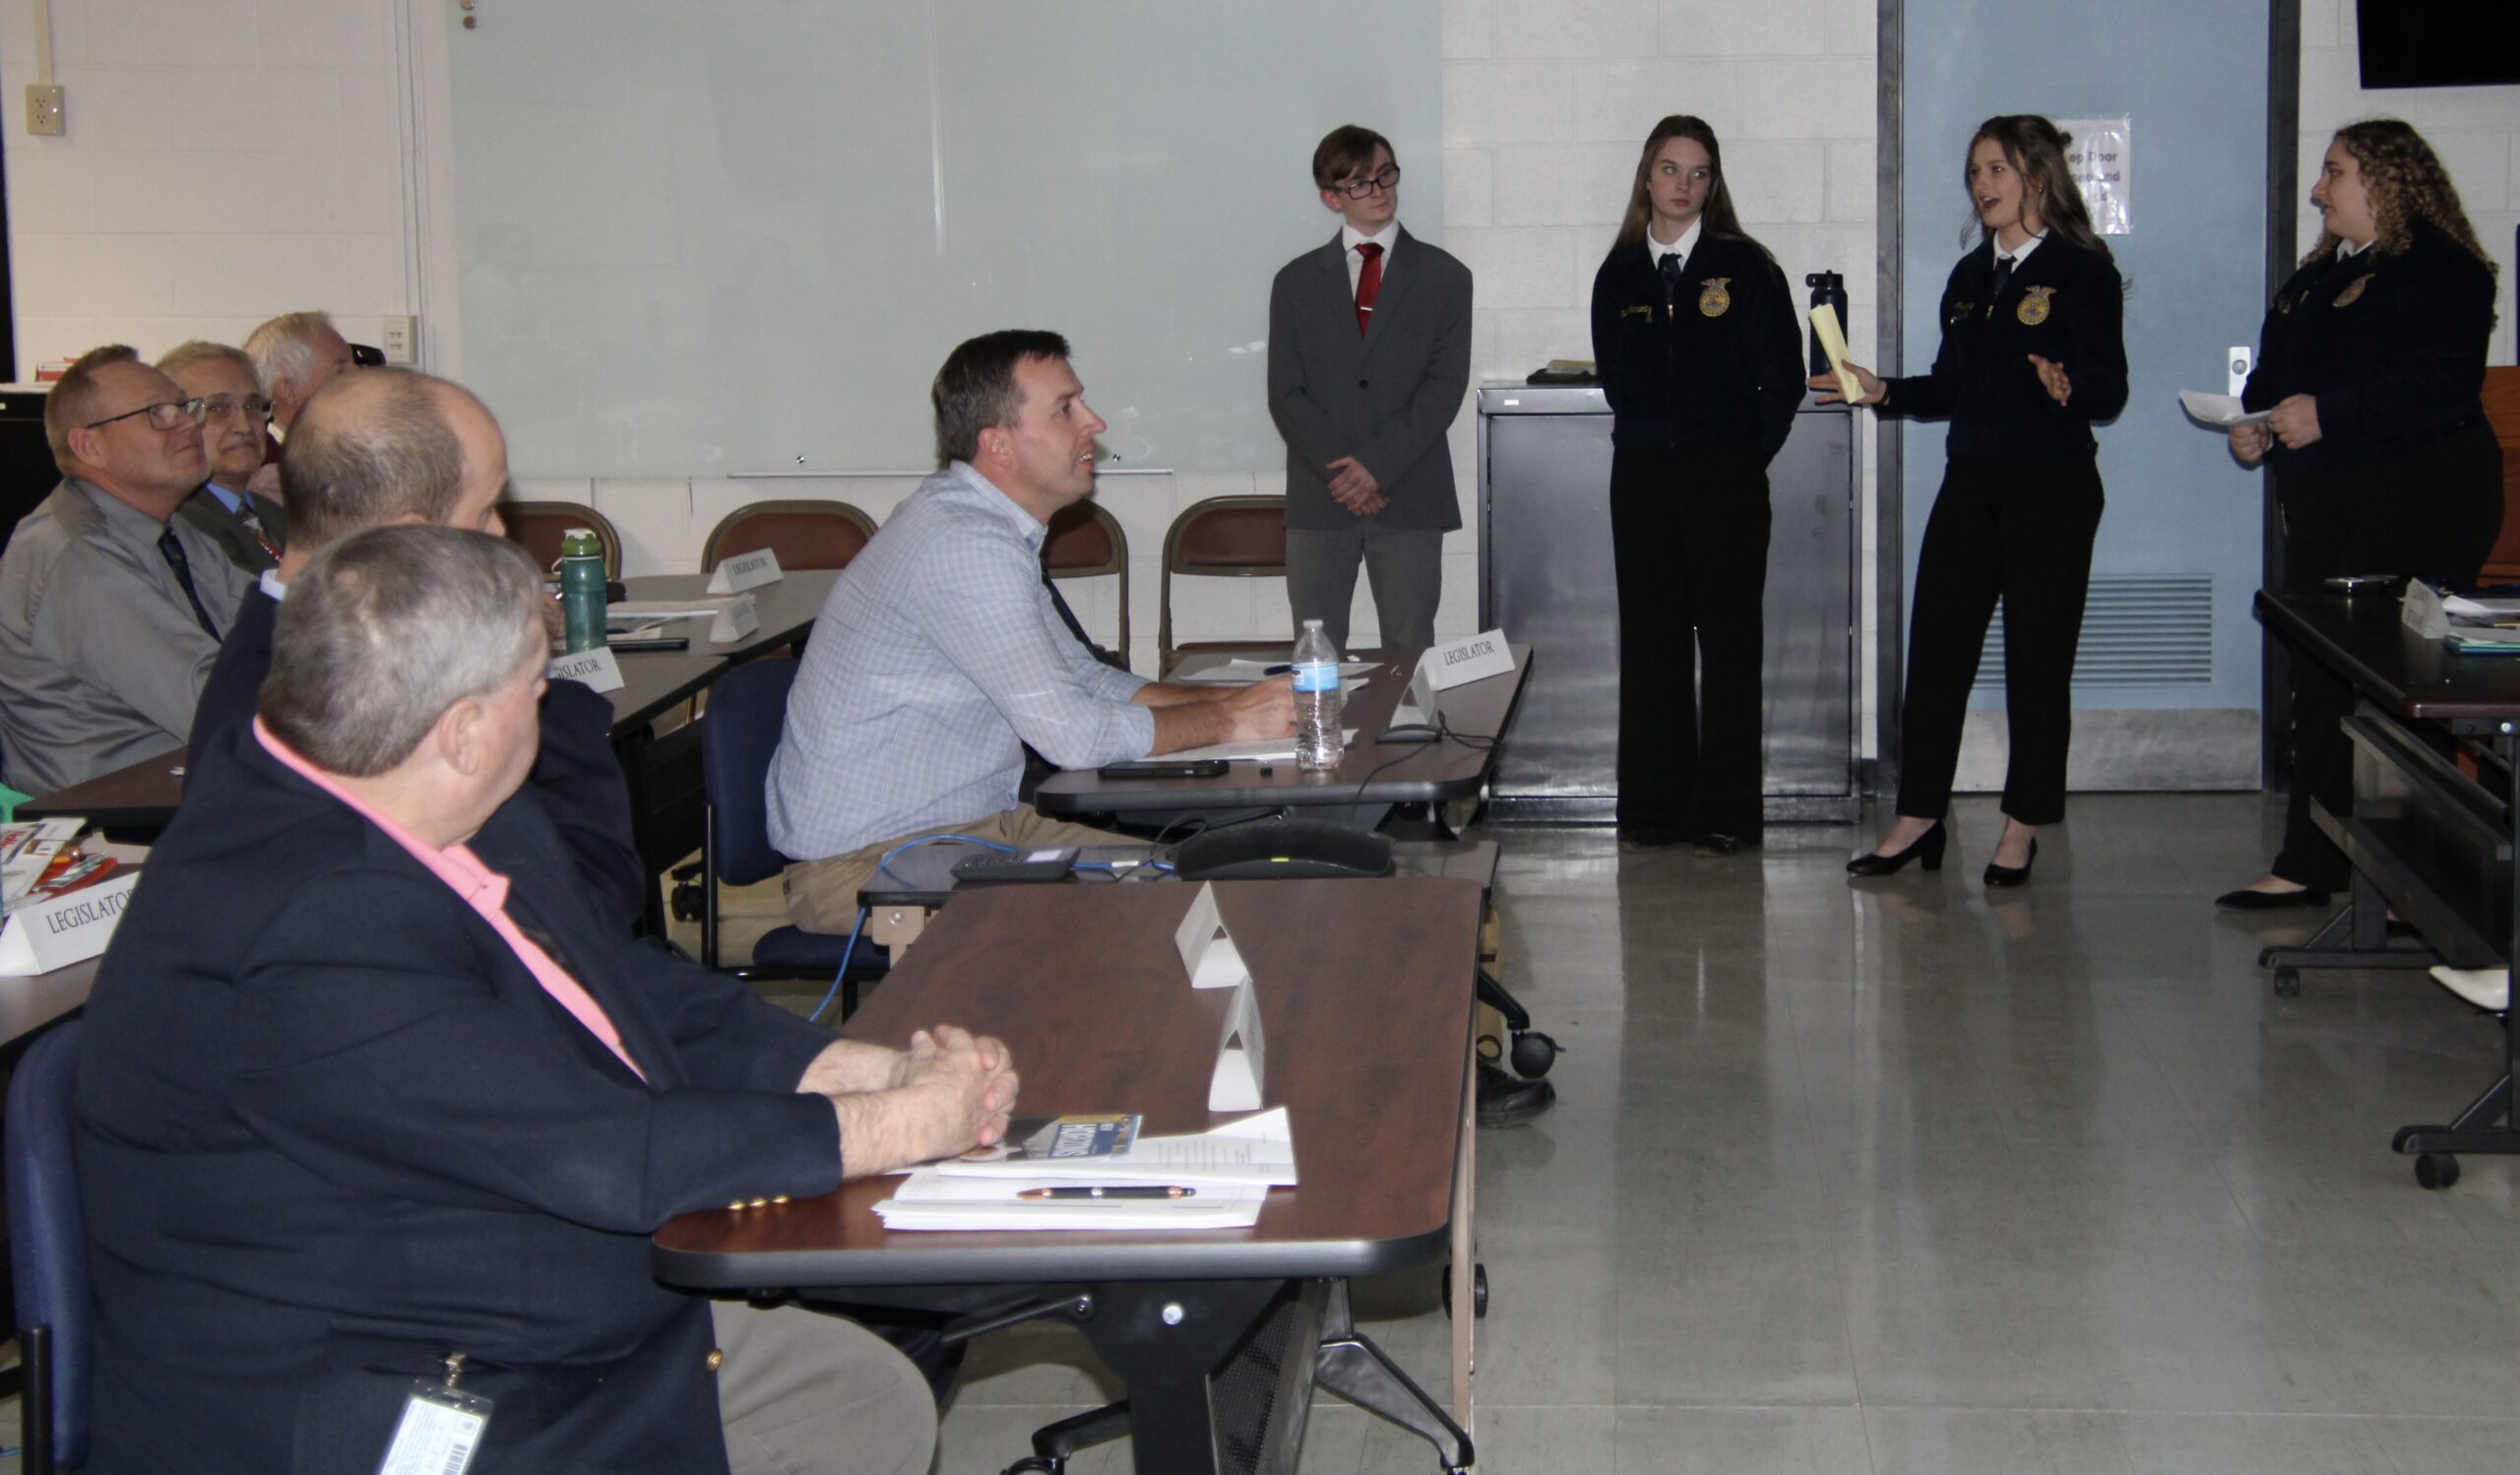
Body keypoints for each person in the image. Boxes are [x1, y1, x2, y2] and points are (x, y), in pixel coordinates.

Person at [76, 524, 1016, 1475]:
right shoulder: (311, 924)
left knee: (865, 1388)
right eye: (536, 685)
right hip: (377, 1389)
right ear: (464, 731)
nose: (552, 705)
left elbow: (622, 984)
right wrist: (901, 1125)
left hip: (515, 1306)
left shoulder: (436, 801)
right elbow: (607, 1157)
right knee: (859, 1384)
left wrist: (854, 1067)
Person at [768, 330, 1293, 931]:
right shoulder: (964, 545)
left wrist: (1244, 701)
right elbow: (1073, 738)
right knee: (1170, 910)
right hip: (872, 865)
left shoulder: (985, 528)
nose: (1094, 422)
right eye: (1066, 409)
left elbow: (1083, 677)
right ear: (999, 445)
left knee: (1194, 882)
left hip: (975, 830)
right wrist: (1229, 723)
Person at [188, 366, 650, 930]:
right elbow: (584, 902)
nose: (501, 533)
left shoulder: (320, 645)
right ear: (404, 540)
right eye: (483, 511)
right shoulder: (313, 704)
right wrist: (542, 686)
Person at [1824, 114, 2127, 887]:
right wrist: (1882, 389)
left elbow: (2109, 386)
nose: (1982, 186)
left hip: (2051, 488)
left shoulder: (2082, 269)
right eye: (1974, 174)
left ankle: (2023, 824)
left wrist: (2070, 386)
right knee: (1935, 655)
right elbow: (1952, 385)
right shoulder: (1969, 278)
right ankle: (1919, 816)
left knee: (2037, 662)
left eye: (1995, 170)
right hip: (1973, 482)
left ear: (2036, 176)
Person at [2216, 119, 2504, 911]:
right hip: (2329, 504)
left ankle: (2428, 882)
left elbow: (2441, 387)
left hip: (2423, 500)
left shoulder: (2445, 271)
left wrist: (2329, 416)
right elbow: (2273, 381)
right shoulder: (2314, 279)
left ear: (2385, 180)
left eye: (2333, 173)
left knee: (2403, 689)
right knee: (2320, 682)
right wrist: (2256, 426)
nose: (2318, 190)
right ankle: (2315, 859)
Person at [1588, 114, 1804, 855]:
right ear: (1647, 177)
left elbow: (1781, 380)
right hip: (1644, 480)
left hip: (1726, 483)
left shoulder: (1747, 268)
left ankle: (1727, 812)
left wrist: (1742, 458)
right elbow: (1618, 382)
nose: (1685, 185)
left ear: (1715, 184)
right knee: (1652, 647)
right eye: (1671, 170)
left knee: (1731, 644)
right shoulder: (1618, 274)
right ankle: (1654, 809)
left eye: (1700, 172)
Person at [0, 345, 253, 794]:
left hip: (185, 791)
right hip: (112, 828)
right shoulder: (75, 555)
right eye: (156, 414)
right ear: (88, 445)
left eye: (184, 407)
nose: (188, 423)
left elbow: (265, 622)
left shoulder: (169, 528)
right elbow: (211, 701)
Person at [1267, 124, 1473, 652]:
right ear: (1330, 198)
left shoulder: (1446, 277)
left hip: (1409, 491)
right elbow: (1285, 393)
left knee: (1409, 650)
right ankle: (1321, 740)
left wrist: (1375, 467)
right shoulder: (1295, 282)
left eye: (1385, 174)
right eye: (1359, 183)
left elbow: (1443, 388)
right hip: (1321, 494)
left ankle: (1408, 737)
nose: (1378, 191)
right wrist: (1344, 472)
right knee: (1316, 651)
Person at [159, 340, 286, 574]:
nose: (244, 426)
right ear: (174, 421)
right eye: (217, 409)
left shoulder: (276, 514)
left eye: (252, 406)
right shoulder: (179, 522)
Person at [242, 308, 358, 499]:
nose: (358, 377)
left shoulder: (336, 452)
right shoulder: (272, 479)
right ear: (290, 391)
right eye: (341, 369)